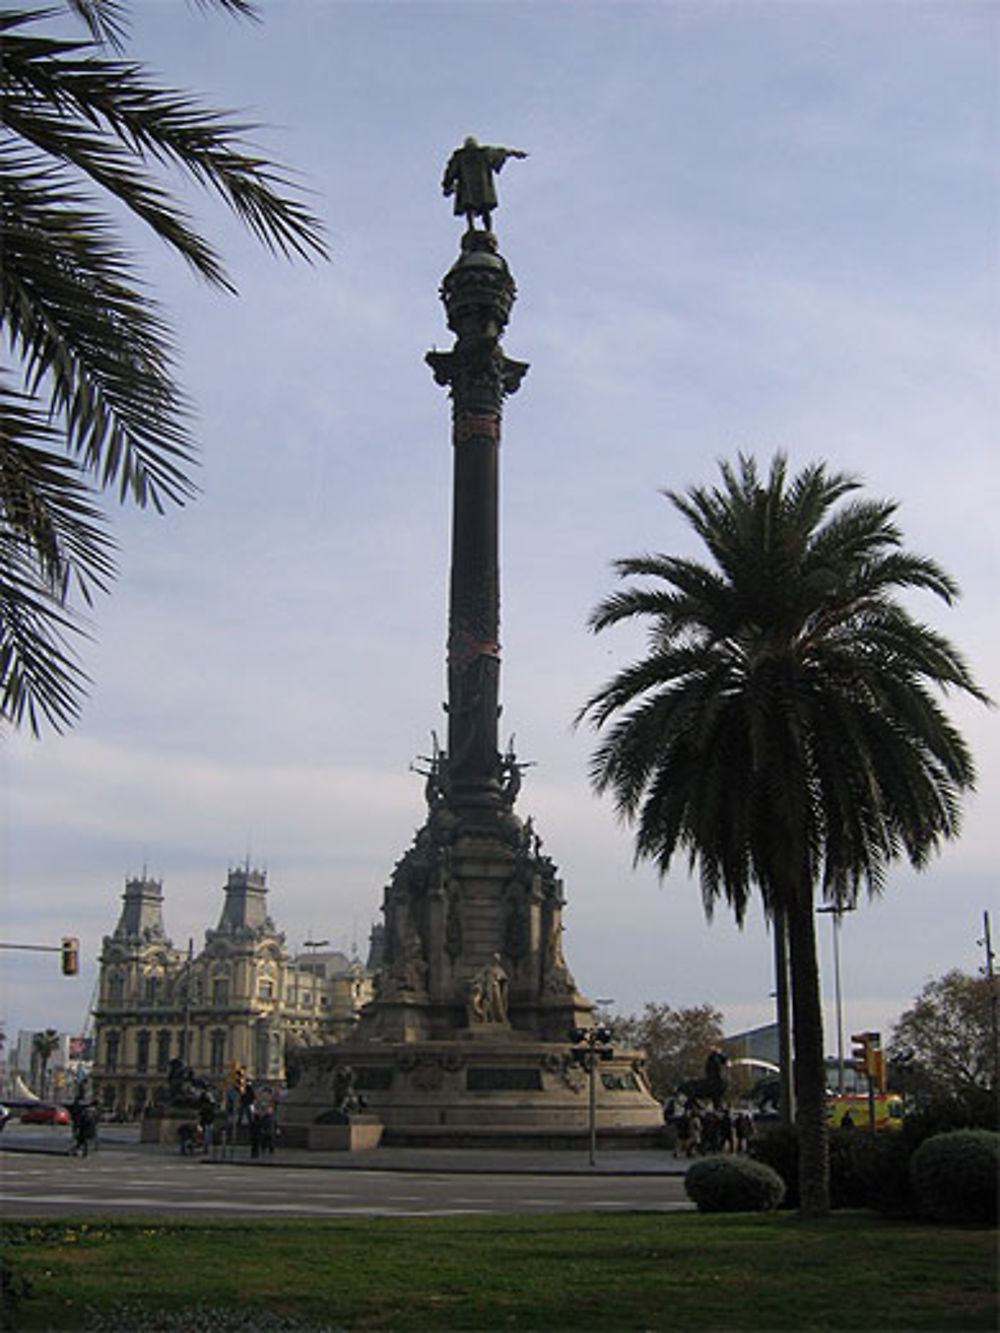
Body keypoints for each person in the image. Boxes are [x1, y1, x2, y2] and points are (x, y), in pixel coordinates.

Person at [442, 137, 528, 232]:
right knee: (482, 209)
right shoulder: (480, 153)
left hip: (471, 188)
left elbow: (451, 171)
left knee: (472, 208)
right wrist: (514, 153)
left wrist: (447, 184)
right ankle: (485, 230)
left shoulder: (463, 156)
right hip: (481, 187)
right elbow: (502, 152)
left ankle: (475, 229)